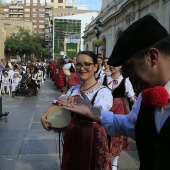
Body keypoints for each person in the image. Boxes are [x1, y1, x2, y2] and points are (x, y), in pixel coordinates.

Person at [57, 15, 170, 170]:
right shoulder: (146, 96)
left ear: (152, 57)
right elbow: (129, 125)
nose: (127, 75)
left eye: (129, 66)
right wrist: (92, 112)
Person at [40, 51, 113, 170]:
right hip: (72, 135)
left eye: (86, 64)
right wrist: (44, 116)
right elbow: (57, 102)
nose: (82, 68)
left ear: (95, 67)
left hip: (91, 137)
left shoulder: (103, 91)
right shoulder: (74, 89)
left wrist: (87, 109)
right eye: (78, 64)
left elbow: (101, 114)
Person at [98, 65, 136, 169]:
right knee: (103, 132)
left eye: (115, 65)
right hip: (105, 107)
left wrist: (138, 112)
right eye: (110, 64)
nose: (111, 66)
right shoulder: (104, 78)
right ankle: (104, 158)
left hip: (119, 108)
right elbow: (97, 91)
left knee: (117, 135)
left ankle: (115, 161)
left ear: (120, 67)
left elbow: (131, 96)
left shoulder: (125, 80)